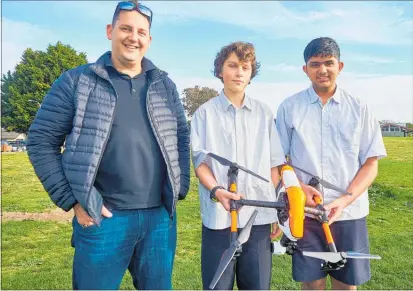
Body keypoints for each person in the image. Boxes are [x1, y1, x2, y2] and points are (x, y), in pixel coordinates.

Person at [26, 1, 190, 289]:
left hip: (158, 222)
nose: (133, 37)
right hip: (103, 219)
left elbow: (181, 137)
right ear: (109, 31)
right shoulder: (76, 81)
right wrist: (72, 200)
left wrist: (179, 188)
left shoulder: (164, 85)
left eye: (141, 32)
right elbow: (40, 142)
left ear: (149, 40)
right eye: (125, 28)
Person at [276, 37, 387, 290]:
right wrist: (299, 188)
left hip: (349, 213)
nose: (322, 70)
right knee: (311, 284)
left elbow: (371, 164)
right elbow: (279, 161)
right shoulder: (289, 107)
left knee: (346, 285)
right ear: (305, 69)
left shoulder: (360, 109)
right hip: (305, 213)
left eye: (329, 63)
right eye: (315, 64)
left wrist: (344, 200)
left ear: (340, 66)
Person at [191, 41, 286, 290]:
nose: (239, 72)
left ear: (251, 73)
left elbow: (274, 165)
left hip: (259, 215)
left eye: (245, 67)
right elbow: (201, 164)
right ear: (220, 71)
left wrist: (275, 210)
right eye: (232, 65)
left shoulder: (264, 113)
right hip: (219, 218)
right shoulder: (204, 114)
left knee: (256, 285)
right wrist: (216, 190)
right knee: (217, 286)